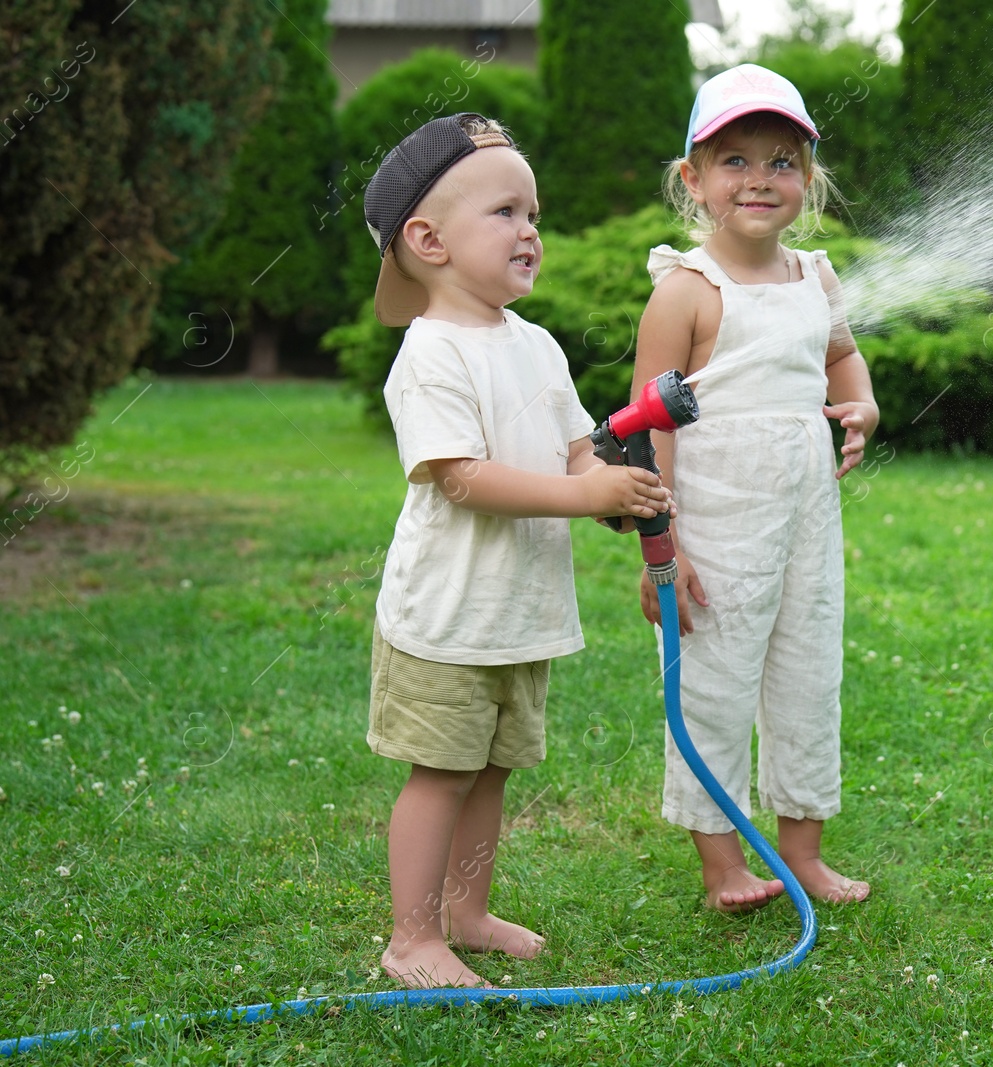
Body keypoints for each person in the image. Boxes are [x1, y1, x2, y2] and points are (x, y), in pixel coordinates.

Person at [362, 112, 671, 987]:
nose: (530, 230)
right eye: (505, 212)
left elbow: (574, 448)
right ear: (428, 239)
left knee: (492, 770)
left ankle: (467, 911)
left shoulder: (536, 346)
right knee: (441, 774)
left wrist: (612, 492)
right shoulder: (429, 355)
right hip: (448, 616)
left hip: (520, 613)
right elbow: (461, 476)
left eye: (533, 212)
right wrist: (581, 493)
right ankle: (413, 937)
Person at [634, 65, 879, 912]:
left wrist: (863, 404)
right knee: (715, 683)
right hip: (716, 521)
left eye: (781, 160)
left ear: (807, 179)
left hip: (807, 513)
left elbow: (839, 355)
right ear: (692, 180)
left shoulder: (815, 276)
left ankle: (803, 852)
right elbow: (650, 425)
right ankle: (723, 866)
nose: (759, 179)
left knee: (808, 671)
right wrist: (663, 547)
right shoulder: (685, 291)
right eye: (734, 160)